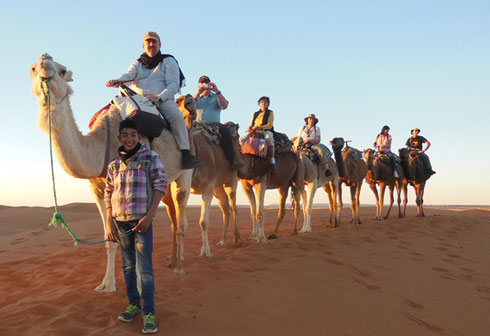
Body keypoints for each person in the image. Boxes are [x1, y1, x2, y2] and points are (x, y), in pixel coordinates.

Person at [104, 119, 167, 334]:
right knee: (128, 267)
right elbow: (108, 192)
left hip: (141, 222)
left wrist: (150, 217)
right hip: (121, 223)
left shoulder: (151, 158)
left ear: (139, 136)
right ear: (120, 138)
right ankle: (134, 304)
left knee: (145, 270)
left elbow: (160, 185)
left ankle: (149, 311)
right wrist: (109, 221)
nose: (129, 139)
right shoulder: (113, 164)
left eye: (133, 135)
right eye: (125, 135)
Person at [106, 31, 202, 170]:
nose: (151, 44)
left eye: (154, 41)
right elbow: (129, 76)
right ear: (143, 45)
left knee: (177, 117)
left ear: (160, 44)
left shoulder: (168, 61)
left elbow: (173, 84)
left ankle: (185, 154)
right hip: (138, 100)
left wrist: (159, 97)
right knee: (112, 112)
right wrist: (117, 81)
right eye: (148, 42)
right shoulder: (138, 63)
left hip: (162, 100)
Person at [193, 75, 242, 169]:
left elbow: (224, 106)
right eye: (203, 83)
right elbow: (188, 106)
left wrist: (217, 91)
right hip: (198, 126)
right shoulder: (196, 98)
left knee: (226, 133)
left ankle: (232, 160)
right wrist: (198, 92)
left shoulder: (216, 97)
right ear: (199, 85)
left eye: (207, 83)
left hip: (214, 125)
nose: (205, 85)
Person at [247, 96, 276, 171]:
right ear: (259, 104)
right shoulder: (256, 113)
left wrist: (260, 128)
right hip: (255, 131)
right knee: (243, 140)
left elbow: (269, 124)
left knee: (269, 138)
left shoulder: (270, 112)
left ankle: (272, 160)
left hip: (266, 130)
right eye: (262, 102)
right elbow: (252, 124)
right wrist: (250, 128)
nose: (263, 103)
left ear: (268, 104)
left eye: (265, 102)